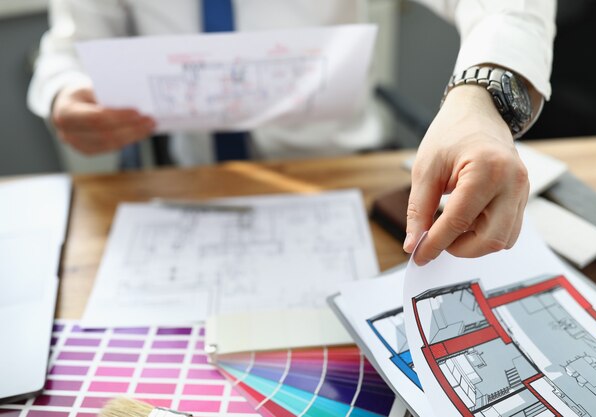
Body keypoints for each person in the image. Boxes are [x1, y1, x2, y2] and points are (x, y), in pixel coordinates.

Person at [28, 0, 556, 264]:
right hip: (185, 183)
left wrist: (482, 97)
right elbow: (69, 47)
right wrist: (65, 91)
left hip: (347, 179)